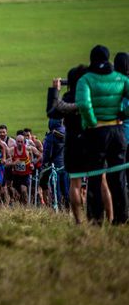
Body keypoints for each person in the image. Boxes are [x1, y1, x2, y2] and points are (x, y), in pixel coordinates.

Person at [76, 45, 129, 225]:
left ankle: (96, 219)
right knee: (118, 176)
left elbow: (83, 104)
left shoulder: (86, 80)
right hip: (117, 130)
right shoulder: (121, 78)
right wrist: (123, 114)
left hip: (96, 132)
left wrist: (91, 122)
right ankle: (121, 218)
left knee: (95, 176)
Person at [48, 65, 95, 224]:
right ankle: (103, 217)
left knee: (74, 184)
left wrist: (55, 90)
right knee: (100, 179)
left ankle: (78, 221)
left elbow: (53, 112)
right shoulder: (92, 96)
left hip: (73, 142)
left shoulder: (68, 97)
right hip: (92, 142)